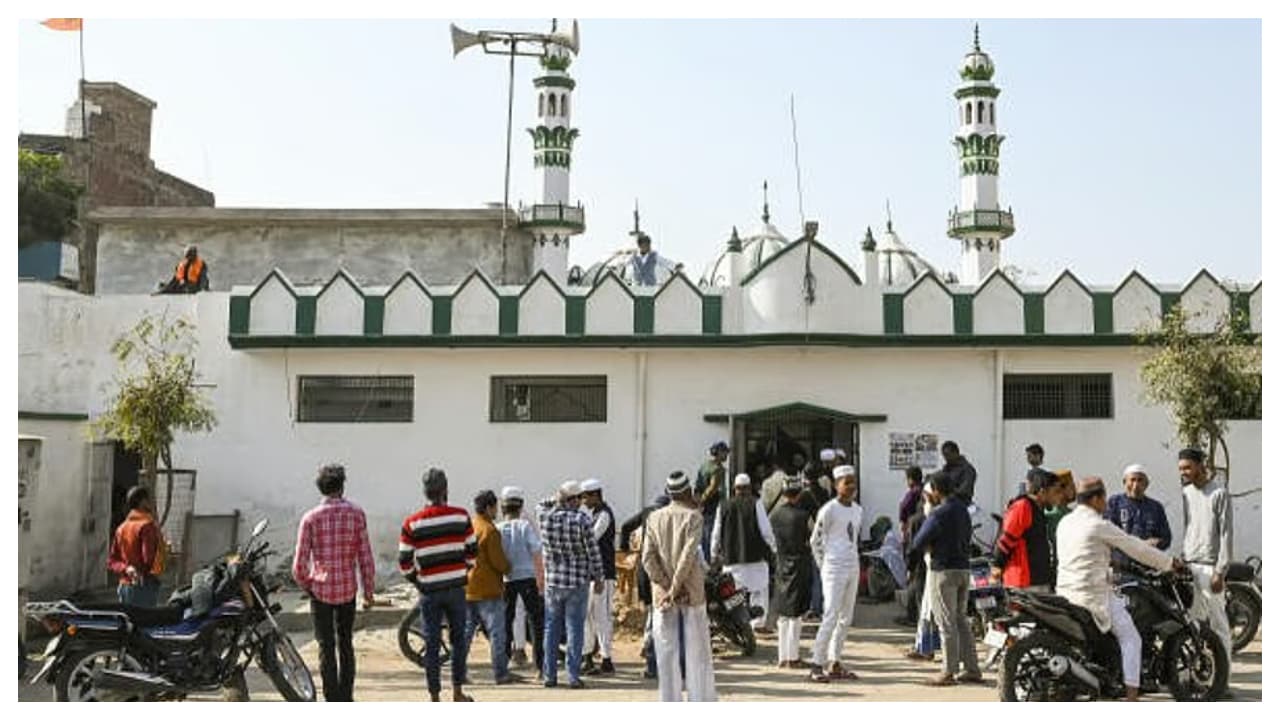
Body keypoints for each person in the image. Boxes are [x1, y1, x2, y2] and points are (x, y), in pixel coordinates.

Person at [1056, 475, 1179, 702]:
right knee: (1132, 638)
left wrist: (1111, 568)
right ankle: (1132, 697)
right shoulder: (1099, 525)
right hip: (1091, 596)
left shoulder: (1066, 522)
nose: (1106, 502)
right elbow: (1137, 548)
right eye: (1103, 497)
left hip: (1065, 592)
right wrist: (1170, 563)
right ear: (1095, 499)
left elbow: (1083, 558)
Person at [291, 464, 376, 702]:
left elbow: (299, 566)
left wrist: (308, 585)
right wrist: (368, 590)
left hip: (320, 591)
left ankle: (332, 700)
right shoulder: (357, 514)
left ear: (320, 488)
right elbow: (365, 557)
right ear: (342, 485)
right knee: (346, 643)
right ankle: (346, 697)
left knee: (325, 646)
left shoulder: (310, 519)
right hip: (347, 589)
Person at [400, 468, 476, 702]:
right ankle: (457, 691)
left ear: (425, 493)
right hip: (455, 588)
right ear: (446, 490)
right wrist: (462, 571)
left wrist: (419, 581)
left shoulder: (412, 523)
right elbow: (473, 553)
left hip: (429, 591)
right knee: (458, 641)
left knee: (432, 643)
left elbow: (404, 563)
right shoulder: (461, 516)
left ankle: (434, 696)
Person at [642, 470, 718, 702]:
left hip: (662, 595)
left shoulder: (654, 518)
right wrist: (676, 587)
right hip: (691, 591)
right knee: (698, 652)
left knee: (666, 653)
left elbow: (647, 558)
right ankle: (700, 700)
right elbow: (688, 555)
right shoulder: (693, 516)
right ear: (686, 491)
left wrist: (667, 588)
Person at [908, 473, 982, 686]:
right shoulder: (962, 510)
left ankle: (948, 670)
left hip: (943, 570)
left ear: (937, 491)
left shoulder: (939, 513)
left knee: (945, 622)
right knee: (960, 620)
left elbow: (918, 541)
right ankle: (971, 668)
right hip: (963, 568)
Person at [539, 481, 604, 689]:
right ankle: (573, 676)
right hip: (577, 582)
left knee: (551, 629)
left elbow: (541, 503)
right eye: (579, 498)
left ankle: (549, 675)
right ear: (574, 500)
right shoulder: (582, 520)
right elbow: (593, 550)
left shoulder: (545, 517)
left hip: (554, 583)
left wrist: (558, 497)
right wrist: (599, 577)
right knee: (575, 628)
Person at [1178, 447, 1233, 686]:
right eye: (1181, 468)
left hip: (1211, 569)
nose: (1184, 472)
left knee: (1219, 626)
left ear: (1202, 465)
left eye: (1188, 467)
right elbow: (1188, 527)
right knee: (1193, 626)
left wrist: (1220, 571)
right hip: (1190, 568)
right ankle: (1193, 678)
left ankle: (1223, 681)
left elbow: (1226, 535)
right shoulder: (1186, 493)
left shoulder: (1220, 494)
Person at [807, 465, 863, 683]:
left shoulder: (858, 510)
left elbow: (853, 539)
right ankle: (816, 664)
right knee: (830, 615)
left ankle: (835, 661)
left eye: (853, 481)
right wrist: (825, 566)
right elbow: (815, 541)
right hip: (833, 567)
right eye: (846, 482)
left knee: (846, 617)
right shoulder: (828, 510)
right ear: (835, 484)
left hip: (852, 565)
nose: (851, 486)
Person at [463, 490, 519, 685]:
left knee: (466, 633)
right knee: (497, 633)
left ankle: (459, 671)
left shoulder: (470, 526)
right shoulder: (490, 530)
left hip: (469, 587)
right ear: (488, 508)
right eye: (495, 506)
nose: (497, 510)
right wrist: (509, 567)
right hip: (488, 589)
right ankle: (501, 673)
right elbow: (498, 562)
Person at [711, 473, 777, 630]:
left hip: (732, 558)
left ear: (734, 489)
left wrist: (713, 554)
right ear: (749, 488)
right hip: (756, 557)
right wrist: (774, 548)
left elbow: (716, 532)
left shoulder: (723, 505)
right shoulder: (756, 503)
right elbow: (766, 530)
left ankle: (736, 622)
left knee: (734, 595)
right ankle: (758, 623)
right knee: (759, 591)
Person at [621, 493, 673, 679]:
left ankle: (649, 652)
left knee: (653, 615)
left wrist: (625, 548)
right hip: (661, 575)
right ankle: (654, 660)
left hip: (645, 571)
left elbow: (626, 526)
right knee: (658, 619)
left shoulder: (647, 514)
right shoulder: (669, 518)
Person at [497, 486, 545, 675]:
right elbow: (536, 548)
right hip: (527, 578)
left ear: (503, 507)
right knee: (535, 620)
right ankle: (540, 665)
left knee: (506, 620)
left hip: (507, 579)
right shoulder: (525, 526)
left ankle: (505, 661)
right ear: (521, 506)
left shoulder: (498, 528)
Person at [990, 468, 1059, 592]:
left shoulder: (1039, 509)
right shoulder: (1023, 507)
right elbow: (1006, 540)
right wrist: (997, 566)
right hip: (1023, 583)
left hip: (1039, 581)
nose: (1058, 496)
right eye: (1055, 492)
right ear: (1042, 492)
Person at [770, 476, 813, 669]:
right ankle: (793, 657)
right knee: (796, 614)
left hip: (781, 564)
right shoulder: (803, 516)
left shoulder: (775, 515)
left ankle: (782, 656)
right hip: (799, 565)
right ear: (799, 494)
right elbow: (811, 539)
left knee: (783, 614)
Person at [579, 478, 617, 676]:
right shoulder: (594, 514)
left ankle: (606, 658)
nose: (583, 501)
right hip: (592, 574)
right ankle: (588, 657)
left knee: (602, 617)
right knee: (588, 616)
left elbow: (591, 538)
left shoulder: (604, 515)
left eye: (585, 497)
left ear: (595, 495)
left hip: (605, 574)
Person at [107, 486, 167, 607]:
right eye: (150, 500)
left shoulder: (122, 528)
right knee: (145, 623)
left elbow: (112, 561)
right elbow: (148, 559)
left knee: (128, 623)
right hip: (143, 586)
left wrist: (126, 568)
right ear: (143, 502)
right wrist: (162, 551)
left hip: (124, 586)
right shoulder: (146, 526)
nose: (152, 503)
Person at [1104, 464, 1172, 568]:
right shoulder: (1114, 503)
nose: (1136, 485)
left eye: (1140, 480)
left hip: (1148, 566)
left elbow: (1166, 538)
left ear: (1146, 484)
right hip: (1121, 566)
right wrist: (1133, 545)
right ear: (1124, 482)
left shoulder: (1156, 507)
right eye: (1132, 480)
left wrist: (1155, 543)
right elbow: (1108, 534)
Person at [905, 479, 942, 661]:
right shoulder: (945, 515)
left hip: (925, 568)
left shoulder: (920, 519)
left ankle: (925, 648)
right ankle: (925, 646)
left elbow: (913, 547)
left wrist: (909, 569)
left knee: (926, 609)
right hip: (935, 567)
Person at [938, 441, 977, 505]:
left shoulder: (967, 469)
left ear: (956, 453)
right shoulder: (946, 468)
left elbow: (965, 490)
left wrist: (949, 494)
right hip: (946, 503)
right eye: (944, 455)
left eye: (948, 455)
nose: (946, 458)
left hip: (961, 504)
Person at [898, 466, 924, 544]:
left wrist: (903, 534)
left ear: (910, 479)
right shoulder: (926, 490)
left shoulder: (912, 494)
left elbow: (903, 510)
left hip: (913, 529)